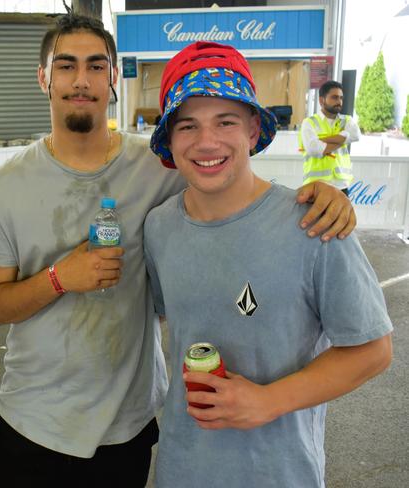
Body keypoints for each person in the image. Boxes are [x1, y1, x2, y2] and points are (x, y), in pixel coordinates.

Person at [0, 13, 357, 488]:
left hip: (128, 427)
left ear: (114, 78)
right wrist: (59, 277)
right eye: (66, 66)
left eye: (97, 66)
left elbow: (227, 175)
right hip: (32, 424)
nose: (81, 80)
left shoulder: (160, 167)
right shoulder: (4, 186)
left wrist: (325, 196)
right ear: (43, 77)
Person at [144, 41, 393, 488]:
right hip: (182, 470)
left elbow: (373, 350)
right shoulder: (159, 228)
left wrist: (269, 400)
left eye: (226, 121)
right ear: (169, 138)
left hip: (279, 474)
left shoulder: (312, 222)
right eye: (188, 126)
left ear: (253, 128)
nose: (207, 142)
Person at [299, 80, 361, 195]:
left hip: (341, 186)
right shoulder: (309, 123)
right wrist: (342, 139)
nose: (339, 102)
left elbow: (356, 135)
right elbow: (314, 150)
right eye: (335, 97)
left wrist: (323, 141)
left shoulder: (347, 120)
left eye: (341, 98)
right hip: (316, 186)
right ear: (322, 100)